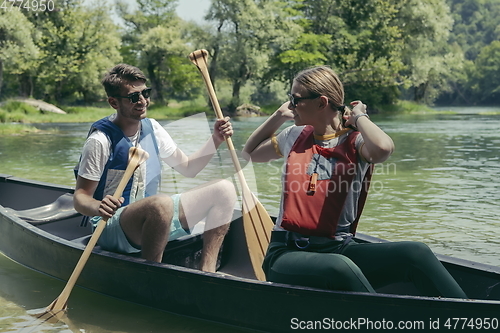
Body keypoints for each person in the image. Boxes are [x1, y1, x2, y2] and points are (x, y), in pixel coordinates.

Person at [242, 66, 467, 298]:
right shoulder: (292, 135)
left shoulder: (356, 141)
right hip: (286, 254)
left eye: (295, 99)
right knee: (339, 267)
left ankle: (470, 320)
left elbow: (383, 149)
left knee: (416, 253)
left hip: (338, 248)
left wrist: (359, 117)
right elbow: (248, 155)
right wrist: (278, 116)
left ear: (321, 103)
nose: (290, 105)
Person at [74, 64, 237, 273]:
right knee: (161, 204)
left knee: (224, 189)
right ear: (113, 102)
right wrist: (98, 207)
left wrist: (216, 139)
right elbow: (80, 198)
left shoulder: (153, 128)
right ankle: (153, 274)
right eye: (134, 97)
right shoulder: (100, 141)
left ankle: (208, 271)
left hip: (154, 216)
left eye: (145, 93)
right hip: (110, 225)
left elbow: (188, 168)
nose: (142, 101)